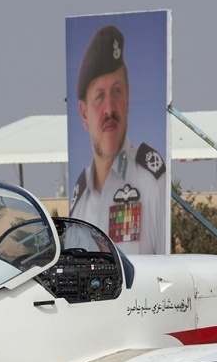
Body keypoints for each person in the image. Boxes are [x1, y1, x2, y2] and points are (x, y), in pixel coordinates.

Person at [68, 24, 167, 255]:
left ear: (128, 96)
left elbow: (167, 267)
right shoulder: (79, 198)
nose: (109, 109)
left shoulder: (149, 179)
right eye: (99, 97)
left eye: (117, 91)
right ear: (84, 114)